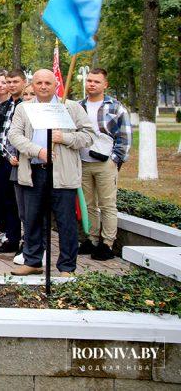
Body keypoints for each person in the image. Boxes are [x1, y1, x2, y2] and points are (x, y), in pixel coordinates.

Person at [8, 69, 94, 276]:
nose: (43, 86)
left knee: (66, 221)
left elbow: (89, 136)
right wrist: (38, 151)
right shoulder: (24, 108)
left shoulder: (70, 107)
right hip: (34, 171)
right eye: (39, 83)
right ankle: (33, 260)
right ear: (32, 85)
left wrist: (64, 138)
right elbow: (14, 135)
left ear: (55, 85)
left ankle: (67, 267)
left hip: (62, 173)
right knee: (32, 219)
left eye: (48, 83)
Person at [77, 68, 131, 261]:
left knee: (107, 204)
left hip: (105, 163)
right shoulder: (79, 106)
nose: (91, 84)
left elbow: (124, 137)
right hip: (83, 162)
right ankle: (91, 239)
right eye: (89, 80)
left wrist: (114, 160)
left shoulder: (116, 108)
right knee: (88, 204)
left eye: (96, 81)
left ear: (105, 85)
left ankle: (107, 243)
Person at [0, 68, 27, 255]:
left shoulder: (27, 106)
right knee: (6, 201)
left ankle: (26, 242)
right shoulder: (4, 106)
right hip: (2, 160)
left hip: (19, 160)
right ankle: (11, 238)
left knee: (20, 204)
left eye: (15, 82)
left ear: (24, 82)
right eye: (9, 82)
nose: (11, 85)